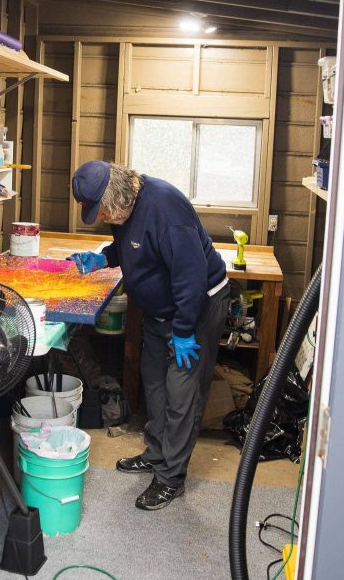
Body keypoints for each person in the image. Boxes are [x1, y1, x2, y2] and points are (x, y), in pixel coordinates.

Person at [68, 160, 230, 511]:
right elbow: (134, 247)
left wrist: (185, 331)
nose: (103, 218)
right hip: (160, 313)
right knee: (153, 383)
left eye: (103, 211)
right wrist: (103, 259)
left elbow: (191, 276)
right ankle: (156, 453)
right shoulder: (126, 211)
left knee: (181, 393)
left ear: (119, 198)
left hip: (195, 310)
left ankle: (171, 477)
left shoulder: (165, 209)